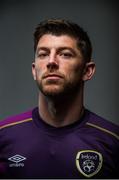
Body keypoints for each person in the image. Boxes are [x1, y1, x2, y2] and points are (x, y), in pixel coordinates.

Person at [0, 19, 119, 179]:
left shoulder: (112, 141)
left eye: (65, 54)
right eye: (43, 54)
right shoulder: (4, 136)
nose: (51, 62)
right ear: (35, 71)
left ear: (87, 71)